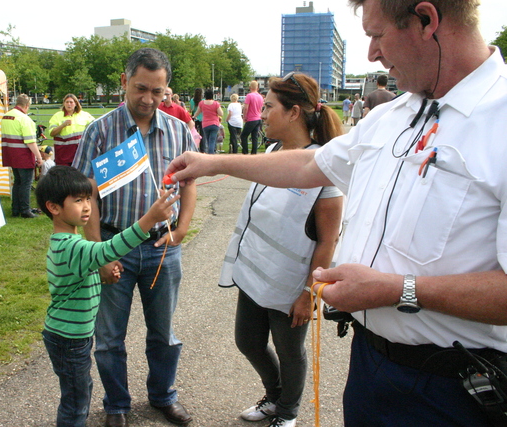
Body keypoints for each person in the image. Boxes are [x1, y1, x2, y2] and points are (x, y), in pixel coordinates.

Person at [166, 1, 507, 425]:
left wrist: (397, 289)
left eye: (377, 35)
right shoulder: (393, 115)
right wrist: (214, 162)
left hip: (452, 387)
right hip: (369, 367)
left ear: (426, 20)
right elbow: (312, 164)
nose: (372, 55)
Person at [71, 47, 197, 427]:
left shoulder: (177, 130)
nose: (148, 99)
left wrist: (183, 228)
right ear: (124, 82)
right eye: (140, 88)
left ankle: (163, 396)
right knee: (109, 338)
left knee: (164, 335)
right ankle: (117, 405)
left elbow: (189, 183)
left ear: (166, 90)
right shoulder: (100, 131)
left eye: (157, 92)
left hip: (162, 248)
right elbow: (85, 194)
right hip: (113, 246)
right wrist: (98, 253)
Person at [221, 73, 343, 427]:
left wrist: (310, 294)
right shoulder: (273, 151)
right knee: (248, 342)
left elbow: (327, 240)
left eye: (268, 107)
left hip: (292, 286)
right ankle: (274, 397)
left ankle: (287, 413)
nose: (259, 115)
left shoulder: (324, 169)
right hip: (255, 276)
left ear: (293, 113)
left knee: (290, 352)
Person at [35, 166, 179, 427]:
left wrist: (101, 276)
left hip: (70, 336)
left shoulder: (70, 243)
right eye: (78, 200)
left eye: (88, 198)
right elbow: (112, 247)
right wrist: (149, 218)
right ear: (54, 207)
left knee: (80, 393)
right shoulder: (72, 246)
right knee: (76, 404)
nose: (87, 206)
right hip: (67, 339)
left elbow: (79, 281)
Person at [1, 93, 43, 218]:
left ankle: (16, 208)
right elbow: (30, 141)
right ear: (27, 105)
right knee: (26, 183)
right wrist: (39, 157)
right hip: (23, 154)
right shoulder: (25, 119)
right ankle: (25, 210)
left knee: (17, 182)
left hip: (10, 153)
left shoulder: (6, 116)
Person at [48, 94, 95, 167]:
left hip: (79, 154)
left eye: (71, 102)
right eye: (67, 102)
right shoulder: (57, 116)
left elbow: (95, 126)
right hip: (63, 154)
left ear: (76, 103)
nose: (69, 104)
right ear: (64, 103)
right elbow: (52, 133)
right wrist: (63, 125)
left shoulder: (84, 115)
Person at [192, 89, 223, 155]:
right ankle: (211, 154)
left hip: (205, 124)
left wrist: (193, 117)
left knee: (208, 140)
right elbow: (221, 113)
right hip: (214, 124)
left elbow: (197, 112)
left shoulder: (201, 103)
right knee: (212, 140)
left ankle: (210, 153)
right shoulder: (216, 103)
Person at [240, 81, 264, 154]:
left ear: (250, 87)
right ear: (257, 87)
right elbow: (261, 108)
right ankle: (254, 152)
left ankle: (245, 152)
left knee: (243, 136)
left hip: (251, 118)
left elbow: (246, 107)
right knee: (255, 137)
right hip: (258, 118)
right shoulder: (260, 97)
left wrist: (244, 116)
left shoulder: (249, 96)